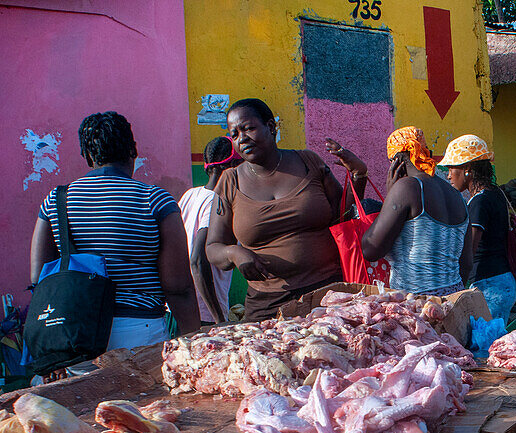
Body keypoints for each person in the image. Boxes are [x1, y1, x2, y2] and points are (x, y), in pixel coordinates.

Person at [30, 111, 200, 350]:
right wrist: (192, 339)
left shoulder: (56, 200)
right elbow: (178, 287)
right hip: (140, 330)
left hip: (75, 331)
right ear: (134, 150)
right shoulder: (155, 200)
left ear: (88, 156)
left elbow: (39, 277)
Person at [205, 98, 367, 321]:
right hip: (266, 304)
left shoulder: (308, 162)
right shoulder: (230, 181)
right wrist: (235, 253)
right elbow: (213, 247)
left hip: (327, 296)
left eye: (249, 128)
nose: (242, 139)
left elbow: (342, 217)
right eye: (234, 134)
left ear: (270, 127)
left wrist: (359, 176)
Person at [361, 127, 469, 296]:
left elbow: (370, 250)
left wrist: (389, 197)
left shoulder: (406, 188)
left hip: (417, 305)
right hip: (454, 298)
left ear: (397, 162)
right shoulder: (457, 195)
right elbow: (467, 262)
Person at [441, 135, 516, 323]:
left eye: (452, 168)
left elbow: (470, 250)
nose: (448, 175)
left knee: (485, 348)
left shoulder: (479, 202)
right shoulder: (495, 193)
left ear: (467, 169)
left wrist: (456, 290)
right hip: (500, 282)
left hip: (490, 287)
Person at [179, 136, 242, 324]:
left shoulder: (191, 195)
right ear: (229, 167)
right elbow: (197, 260)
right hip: (204, 314)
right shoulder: (215, 201)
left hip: (182, 307)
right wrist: (219, 318)